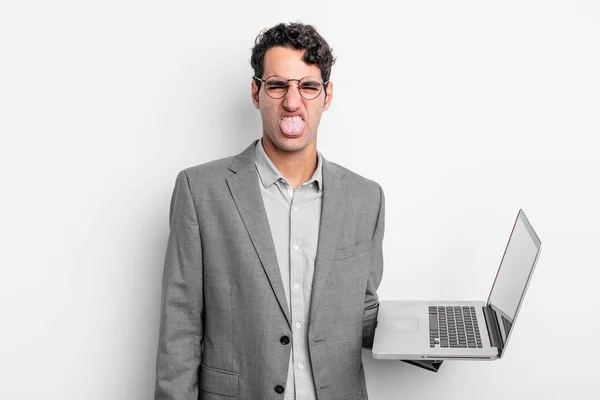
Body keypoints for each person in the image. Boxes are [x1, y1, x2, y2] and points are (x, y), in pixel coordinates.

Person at [154, 22, 437, 400]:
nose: (292, 102)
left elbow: (361, 311)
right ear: (256, 92)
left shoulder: (366, 198)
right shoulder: (200, 191)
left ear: (327, 95)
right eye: (277, 85)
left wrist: (433, 334)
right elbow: (180, 328)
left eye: (307, 86)